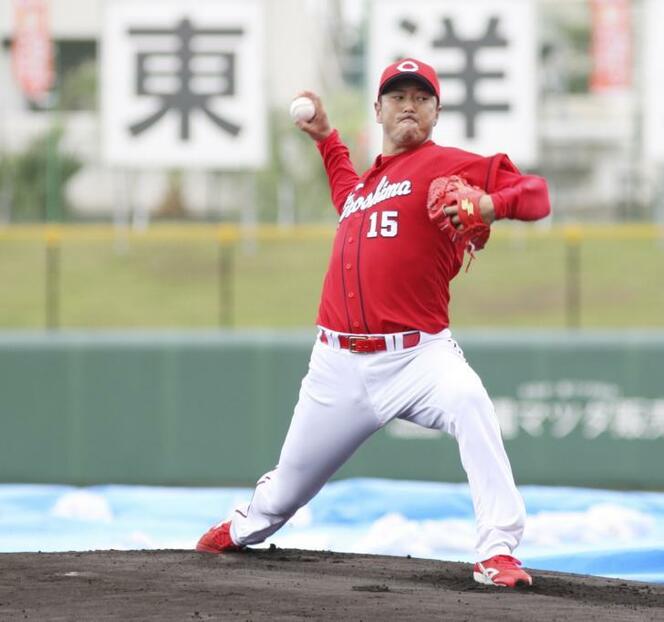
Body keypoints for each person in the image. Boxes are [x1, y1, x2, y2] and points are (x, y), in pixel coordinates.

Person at [196, 58, 551, 588]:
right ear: (379, 109)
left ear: (436, 110)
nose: (410, 104)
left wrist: (490, 204)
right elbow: (346, 191)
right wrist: (325, 138)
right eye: (398, 95)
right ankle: (245, 525)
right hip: (335, 366)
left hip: (417, 355)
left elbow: (537, 194)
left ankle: (496, 550)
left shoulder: (447, 165)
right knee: (282, 497)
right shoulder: (364, 192)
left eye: (422, 97)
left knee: (470, 402)